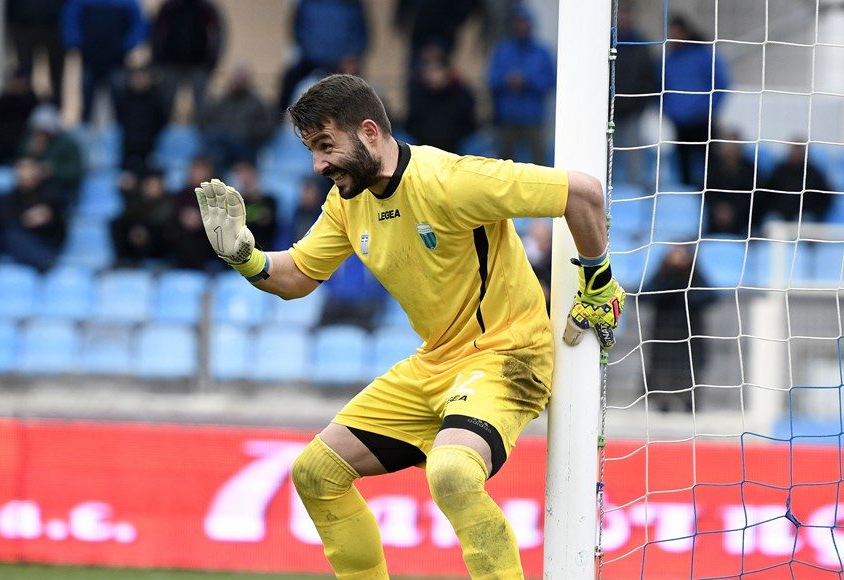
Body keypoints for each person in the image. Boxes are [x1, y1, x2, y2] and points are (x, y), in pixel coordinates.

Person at [194, 74, 625, 578]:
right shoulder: (347, 203)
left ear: (369, 132)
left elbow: (583, 193)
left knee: (452, 472)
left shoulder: (451, 180)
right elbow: (297, 276)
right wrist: (244, 256)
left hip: (508, 354)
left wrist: (599, 283)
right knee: (316, 473)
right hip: (436, 361)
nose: (318, 165)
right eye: (312, 151)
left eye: (326, 145)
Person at [640, 244, 716, 412]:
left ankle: (690, 402)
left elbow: (710, 296)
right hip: (663, 334)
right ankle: (662, 402)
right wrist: (669, 285)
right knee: (662, 369)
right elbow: (644, 296)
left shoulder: (695, 276)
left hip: (690, 333)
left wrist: (685, 293)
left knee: (690, 368)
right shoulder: (661, 275)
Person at [662, 14, 730, 189]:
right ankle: (686, 201)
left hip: (703, 121)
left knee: (710, 166)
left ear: (686, 32)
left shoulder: (704, 55)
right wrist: (669, 111)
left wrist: (707, 109)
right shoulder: (669, 60)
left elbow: (721, 84)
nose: (674, 37)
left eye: (677, 32)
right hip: (680, 123)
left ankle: (712, 196)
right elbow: (660, 88)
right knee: (683, 168)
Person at [486, 4, 555, 165]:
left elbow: (550, 81)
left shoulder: (541, 52)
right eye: (518, 22)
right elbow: (491, 79)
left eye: (524, 22)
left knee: (539, 162)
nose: (521, 26)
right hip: (507, 117)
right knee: (504, 163)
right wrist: (507, 80)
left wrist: (527, 81)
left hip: (533, 118)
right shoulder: (503, 50)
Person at [61, 0, 148, 122]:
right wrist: (75, 42)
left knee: (119, 97)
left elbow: (138, 24)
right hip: (89, 56)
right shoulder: (80, 2)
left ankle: (119, 127)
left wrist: (127, 45)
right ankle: (85, 126)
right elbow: (71, 18)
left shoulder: (127, 3)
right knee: (87, 97)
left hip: (116, 58)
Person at [277, 0, 368, 111]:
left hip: (343, 64)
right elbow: (299, 31)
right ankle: (281, 116)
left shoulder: (351, 4)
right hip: (311, 62)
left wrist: (352, 56)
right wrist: (311, 54)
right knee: (290, 82)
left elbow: (360, 34)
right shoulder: (307, 4)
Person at [151, 0, 224, 122]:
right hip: (171, 64)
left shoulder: (207, 8)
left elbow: (217, 35)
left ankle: (201, 131)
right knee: (165, 105)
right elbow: (156, 34)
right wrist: (158, 60)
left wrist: (212, 61)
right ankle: (165, 131)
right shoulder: (169, 7)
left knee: (201, 107)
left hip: (199, 65)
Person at [613, 4, 658, 190]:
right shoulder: (607, 42)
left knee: (633, 149)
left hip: (633, 109)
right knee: (607, 149)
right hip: (610, 109)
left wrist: (642, 102)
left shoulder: (641, 44)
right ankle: (603, 182)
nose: (624, 20)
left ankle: (635, 186)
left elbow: (649, 76)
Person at [198, 64, 273, 173]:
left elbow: (267, 127)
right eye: (236, 79)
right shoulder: (222, 101)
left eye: (241, 79)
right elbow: (205, 120)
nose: (238, 83)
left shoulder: (256, 104)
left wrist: (249, 134)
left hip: (244, 147)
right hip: (222, 146)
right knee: (214, 143)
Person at [404, 44, 477, 153]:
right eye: (428, 71)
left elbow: (469, 124)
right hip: (423, 149)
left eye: (436, 70)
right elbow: (412, 124)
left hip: (457, 150)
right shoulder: (417, 93)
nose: (432, 75)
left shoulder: (460, 93)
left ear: (446, 72)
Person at [0, 158, 68, 271]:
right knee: (11, 236)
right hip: (22, 241)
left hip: (46, 241)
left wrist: (49, 215)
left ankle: (43, 261)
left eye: (30, 170)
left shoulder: (51, 194)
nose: (26, 174)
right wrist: (26, 219)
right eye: (22, 170)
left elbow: (62, 207)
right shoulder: (10, 198)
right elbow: (6, 221)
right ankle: (43, 261)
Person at [18, 104, 84, 208]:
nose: (41, 135)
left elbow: (76, 172)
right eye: (38, 131)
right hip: (34, 191)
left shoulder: (67, 144)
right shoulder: (29, 143)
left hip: (60, 191)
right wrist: (32, 154)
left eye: (45, 131)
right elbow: (21, 163)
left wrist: (52, 171)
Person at [756, 141, 834, 226]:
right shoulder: (779, 171)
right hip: (780, 215)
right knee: (772, 220)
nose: (796, 154)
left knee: (807, 221)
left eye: (799, 151)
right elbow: (766, 193)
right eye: (794, 150)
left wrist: (814, 212)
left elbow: (825, 197)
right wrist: (773, 210)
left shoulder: (814, 173)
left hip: (805, 216)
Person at [6, 0, 66, 103]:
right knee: (25, 70)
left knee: (56, 71)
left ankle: (55, 105)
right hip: (24, 24)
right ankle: (25, 105)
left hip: (53, 25)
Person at [110, 169, 173, 266]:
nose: (152, 189)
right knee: (118, 224)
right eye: (149, 185)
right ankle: (124, 259)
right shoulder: (137, 200)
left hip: (159, 243)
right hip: (136, 239)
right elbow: (129, 216)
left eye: (155, 185)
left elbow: (161, 221)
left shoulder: (169, 201)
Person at [114, 64, 168, 174]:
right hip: (128, 147)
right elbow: (119, 118)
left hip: (150, 147)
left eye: (142, 77)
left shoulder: (156, 98)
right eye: (136, 77)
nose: (139, 81)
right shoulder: (123, 97)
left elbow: (162, 120)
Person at [0, 69, 40, 166]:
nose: (18, 86)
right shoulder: (2, 99)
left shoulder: (30, 100)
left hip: (22, 140)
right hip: (1, 141)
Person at [703, 130, 755, 237]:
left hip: (741, 218)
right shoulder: (713, 167)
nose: (731, 148)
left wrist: (733, 209)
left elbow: (754, 196)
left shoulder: (750, 169)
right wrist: (719, 208)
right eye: (728, 145)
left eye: (735, 145)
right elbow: (707, 191)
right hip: (715, 215)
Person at [231, 161, 278, 251]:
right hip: (240, 251)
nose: (244, 178)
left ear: (255, 174)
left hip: (265, 252)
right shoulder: (236, 203)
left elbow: (266, 221)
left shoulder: (270, 201)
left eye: (247, 173)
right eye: (240, 174)